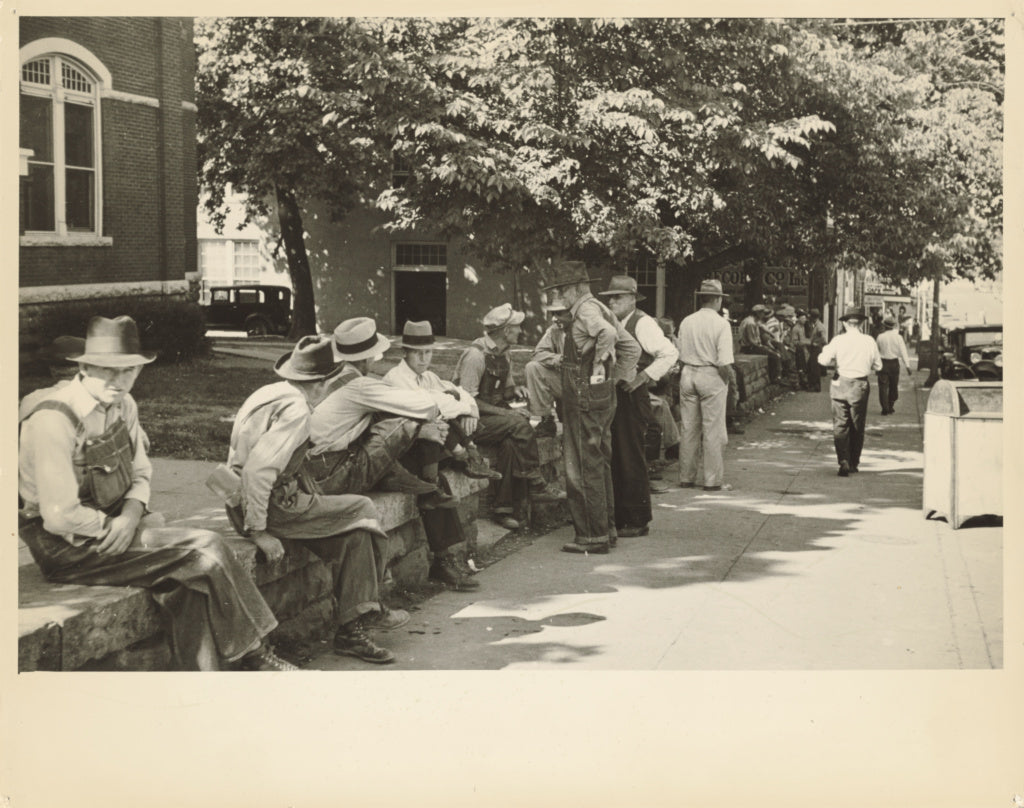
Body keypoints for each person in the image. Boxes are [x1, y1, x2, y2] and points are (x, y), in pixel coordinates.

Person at [18, 315, 293, 671]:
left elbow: (142, 471)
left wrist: (132, 515)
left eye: (129, 370)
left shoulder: (123, 404)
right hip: (68, 546)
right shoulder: (54, 418)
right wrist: (117, 527)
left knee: (188, 584)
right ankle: (256, 654)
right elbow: (58, 516)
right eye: (107, 369)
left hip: (118, 524)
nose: (119, 381)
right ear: (83, 367)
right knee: (205, 549)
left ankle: (198, 683)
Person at [228, 333, 406, 664]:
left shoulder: (270, 392)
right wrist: (259, 531)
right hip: (271, 506)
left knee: (353, 537)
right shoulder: (297, 410)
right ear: (325, 381)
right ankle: (371, 608)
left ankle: (354, 628)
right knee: (363, 508)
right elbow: (258, 470)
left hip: (246, 500)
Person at [304, 317, 480, 592]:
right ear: (370, 356)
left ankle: (429, 501)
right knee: (410, 425)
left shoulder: (338, 379)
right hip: (332, 472)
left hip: (321, 467)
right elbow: (423, 404)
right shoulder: (359, 385)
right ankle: (444, 554)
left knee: (426, 475)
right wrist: (455, 406)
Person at [540, 260, 640, 554]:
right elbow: (631, 348)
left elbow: (607, 335)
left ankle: (591, 536)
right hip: (600, 395)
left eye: (560, 291)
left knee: (581, 466)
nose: (559, 298)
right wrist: (612, 379)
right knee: (599, 462)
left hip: (583, 395)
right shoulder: (601, 306)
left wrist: (598, 362)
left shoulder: (585, 309)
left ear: (573, 288)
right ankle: (606, 529)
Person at [453, 303, 566, 531]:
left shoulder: (504, 355)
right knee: (518, 423)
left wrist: (515, 391)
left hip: (494, 420)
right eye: (517, 328)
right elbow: (468, 401)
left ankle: (503, 509)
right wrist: (507, 412)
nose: (520, 332)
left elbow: (504, 391)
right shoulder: (476, 356)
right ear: (506, 331)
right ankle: (535, 482)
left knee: (510, 444)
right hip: (471, 421)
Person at [600, 274, 679, 537]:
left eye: (619, 297)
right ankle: (620, 516)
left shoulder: (643, 323)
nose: (613, 302)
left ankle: (637, 519)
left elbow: (669, 353)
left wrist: (643, 377)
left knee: (631, 455)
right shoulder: (612, 322)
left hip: (632, 396)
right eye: (610, 297)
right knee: (618, 456)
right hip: (615, 394)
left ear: (633, 298)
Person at [676, 279, 734, 491]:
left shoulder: (687, 321)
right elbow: (724, 361)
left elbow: (680, 353)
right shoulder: (721, 324)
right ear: (718, 299)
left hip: (688, 372)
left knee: (689, 428)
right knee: (713, 430)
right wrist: (727, 382)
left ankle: (686, 476)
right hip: (711, 373)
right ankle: (712, 480)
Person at [817, 307, 882, 477]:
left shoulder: (838, 340)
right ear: (861, 323)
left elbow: (822, 360)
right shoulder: (869, 341)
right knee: (857, 425)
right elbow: (878, 366)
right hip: (859, 385)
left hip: (840, 383)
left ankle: (843, 459)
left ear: (845, 323)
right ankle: (854, 462)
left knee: (840, 424)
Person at [524, 303, 571, 438]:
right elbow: (537, 353)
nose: (554, 319)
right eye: (553, 314)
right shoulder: (554, 330)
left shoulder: (587, 328)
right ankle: (546, 419)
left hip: (587, 384)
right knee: (533, 367)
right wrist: (558, 358)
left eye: (559, 313)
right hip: (566, 380)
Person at [875, 312, 913, 415]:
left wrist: (875, 366)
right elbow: (903, 352)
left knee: (883, 386)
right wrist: (908, 366)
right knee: (893, 385)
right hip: (894, 364)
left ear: (884, 326)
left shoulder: (880, 337)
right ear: (893, 326)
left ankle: (884, 407)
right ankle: (890, 405)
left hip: (883, 364)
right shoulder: (898, 337)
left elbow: (876, 353)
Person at [738, 304, 782, 383]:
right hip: (749, 347)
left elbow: (762, 326)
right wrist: (763, 347)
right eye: (762, 313)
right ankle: (774, 379)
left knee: (775, 351)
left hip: (753, 345)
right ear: (758, 313)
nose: (764, 315)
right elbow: (752, 341)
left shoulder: (753, 320)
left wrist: (770, 334)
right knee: (774, 356)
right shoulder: (750, 323)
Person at [805, 308, 828, 392]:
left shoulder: (819, 326)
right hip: (815, 348)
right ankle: (814, 385)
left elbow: (823, 338)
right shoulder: (815, 324)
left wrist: (816, 343)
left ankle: (816, 386)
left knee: (815, 367)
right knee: (812, 366)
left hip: (817, 348)